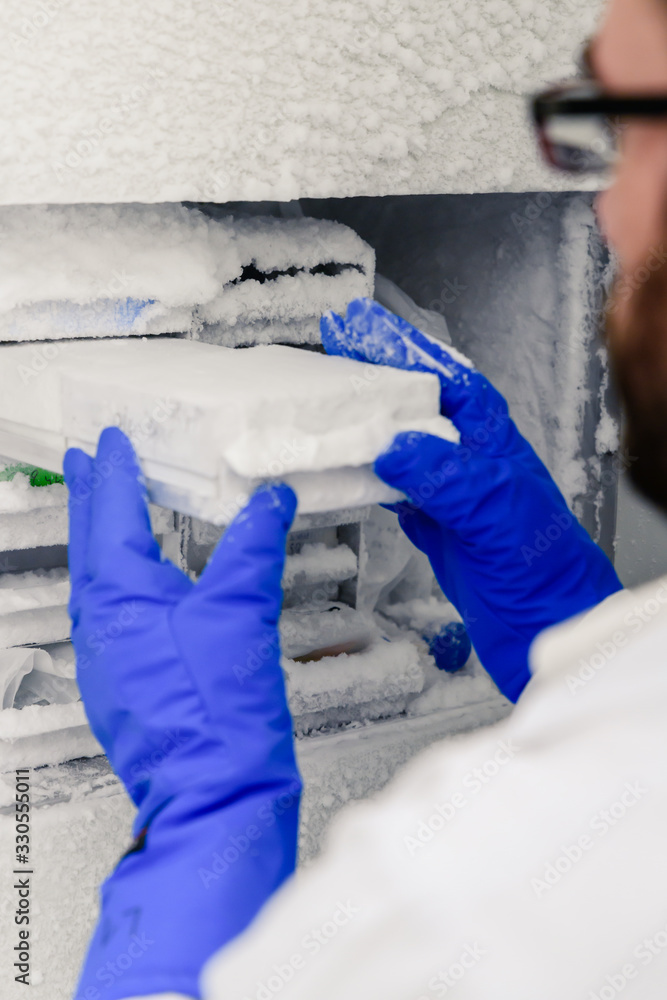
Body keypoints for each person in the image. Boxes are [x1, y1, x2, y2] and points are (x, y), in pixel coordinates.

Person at [69, 0, 667, 997]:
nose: (607, 212)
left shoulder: (512, 886)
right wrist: (575, 627)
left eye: (631, 128)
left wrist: (203, 819)